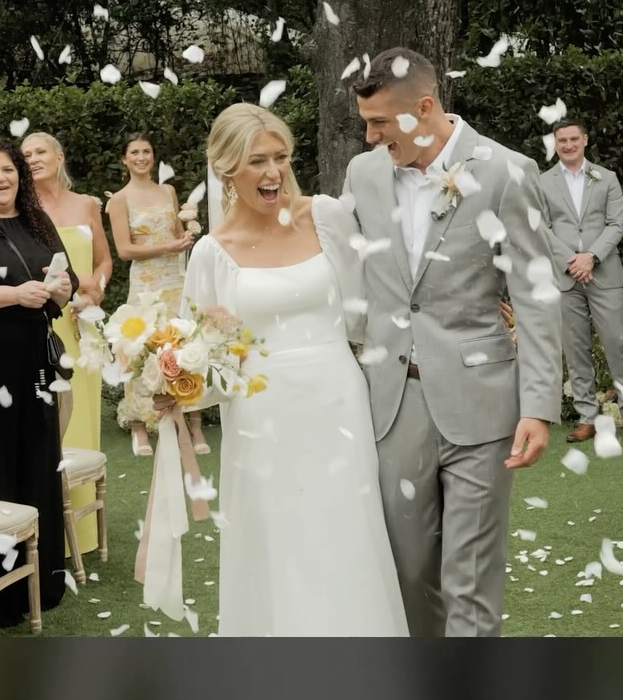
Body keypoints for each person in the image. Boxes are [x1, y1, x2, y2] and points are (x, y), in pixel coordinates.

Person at [345, 48, 562, 638]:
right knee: (410, 571)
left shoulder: (505, 170)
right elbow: (339, 265)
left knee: (469, 577)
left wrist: (539, 405)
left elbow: (537, 294)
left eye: (380, 123)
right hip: (393, 403)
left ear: (423, 107)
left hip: (482, 402)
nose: (370, 136)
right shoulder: (363, 175)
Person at [180, 102, 409, 636]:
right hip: (261, 415)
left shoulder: (324, 216)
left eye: (280, 157)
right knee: (276, 538)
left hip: (336, 399)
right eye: (257, 160)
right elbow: (199, 361)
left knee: (345, 531)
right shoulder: (210, 254)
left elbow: (381, 297)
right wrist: (175, 381)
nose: (274, 172)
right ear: (226, 168)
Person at [0, 136, 78, 629]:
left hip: (35, 362)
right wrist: (15, 293)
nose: (0, 178)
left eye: (7, 169)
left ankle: (41, 581)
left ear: (20, 173)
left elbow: (69, 278)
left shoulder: (36, 219)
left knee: (37, 459)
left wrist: (61, 287)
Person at [22, 131, 112, 552]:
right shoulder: (21, 209)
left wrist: (95, 289)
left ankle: (87, 532)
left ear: (59, 155)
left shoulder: (88, 204)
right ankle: (54, 529)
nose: (33, 158)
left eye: (40, 151)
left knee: (84, 417)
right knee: (55, 420)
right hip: (45, 324)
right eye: (26, 154)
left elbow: (104, 260)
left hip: (84, 327)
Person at [540, 118, 623, 443]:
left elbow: (617, 223)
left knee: (617, 343)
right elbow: (543, 228)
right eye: (562, 140)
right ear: (555, 143)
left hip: (603, 272)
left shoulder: (607, 178)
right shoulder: (544, 182)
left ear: (585, 140)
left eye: (574, 139)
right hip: (565, 276)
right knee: (575, 349)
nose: (568, 145)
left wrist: (591, 257)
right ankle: (587, 416)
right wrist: (571, 261)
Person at [106, 133, 197, 456]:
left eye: (146, 151)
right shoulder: (119, 199)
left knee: (177, 346)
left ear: (153, 156)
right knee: (142, 348)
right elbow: (125, 250)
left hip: (175, 277)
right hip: (145, 281)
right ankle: (139, 424)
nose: (142, 157)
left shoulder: (168, 191)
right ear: (124, 159)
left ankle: (181, 418)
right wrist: (168, 246)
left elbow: (174, 234)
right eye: (135, 152)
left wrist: (185, 236)